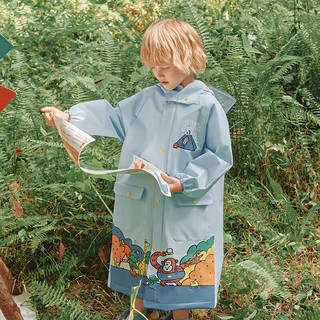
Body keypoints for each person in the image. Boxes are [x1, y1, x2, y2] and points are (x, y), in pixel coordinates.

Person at [41, 18, 233, 320]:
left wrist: (185, 182)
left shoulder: (207, 106)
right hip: (143, 199)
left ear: (187, 57)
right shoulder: (147, 99)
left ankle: (177, 317)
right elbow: (113, 117)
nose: (158, 73)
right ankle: (137, 313)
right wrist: (68, 117)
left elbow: (219, 156)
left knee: (180, 263)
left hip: (183, 202)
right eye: (153, 65)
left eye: (166, 65)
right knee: (141, 255)